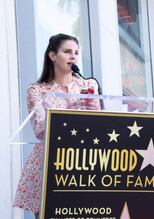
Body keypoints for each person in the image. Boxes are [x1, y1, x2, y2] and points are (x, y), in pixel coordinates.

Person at [13, 33, 100, 218]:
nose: (73, 56)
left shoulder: (88, 85)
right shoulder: (37, 90)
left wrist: (95, 112)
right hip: (48, 163)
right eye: (67, 51)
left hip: (82, 164)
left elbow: (99, 130)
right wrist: (70, 113)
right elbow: (41, 128)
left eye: (76, 52)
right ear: (52, 55)